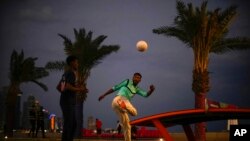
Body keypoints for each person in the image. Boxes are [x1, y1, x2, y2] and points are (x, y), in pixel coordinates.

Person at [98, 72, 155, 141]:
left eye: (138, 78)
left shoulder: (137, 89)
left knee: (127, 125)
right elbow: (115, 88)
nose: (136, 79)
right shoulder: (127, 82)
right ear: (132, 78)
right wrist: (104, 94)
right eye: (135, 77)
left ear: (140, 80)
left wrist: (151, 90)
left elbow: (145, 95)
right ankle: (122, 105)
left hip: (122, 105)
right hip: (118, 99)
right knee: (134, 112)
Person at [60, 55, 88, 141]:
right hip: (68, 101)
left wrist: (78, 87)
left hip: (66, 100)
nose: (77, 64)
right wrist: (80, 89)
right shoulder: (70, 73)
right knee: (70, 123)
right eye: (76, 62)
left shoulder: (66, 73)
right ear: (72, 63)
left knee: (72, 123)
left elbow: (62, 86)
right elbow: (67, 86)